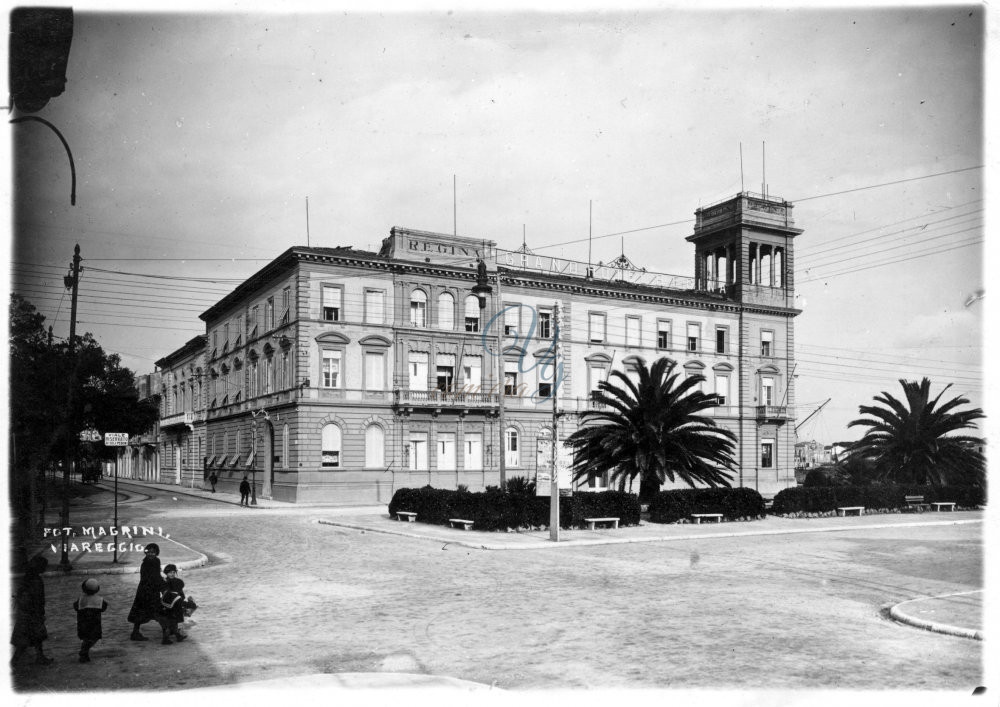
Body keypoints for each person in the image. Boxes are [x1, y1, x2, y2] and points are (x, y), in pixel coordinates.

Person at [10, 556, 53, 665]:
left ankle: (40, 657)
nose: (45, 568)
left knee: (36, 637)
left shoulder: (28, 578)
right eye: (44, 566)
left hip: (26, 613)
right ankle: (13, 662)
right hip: (32, 614)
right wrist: (40, 613)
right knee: (27, 640)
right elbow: (37, 599)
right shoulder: (36, 581)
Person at [126, 543, 164, 641]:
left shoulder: (156, 561)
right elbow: (151, 578)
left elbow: (157, 576)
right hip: (145, 591)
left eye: (153, 552)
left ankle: (168, 630)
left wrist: (162, 584)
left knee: (157, 612)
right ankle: (135, 633)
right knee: (145, 612)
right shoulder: (145, 563)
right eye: (149, 552)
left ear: (156, 553)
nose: (151, 554)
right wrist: (161, 586)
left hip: (152, 591)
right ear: (146, 553)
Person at [73, 578, 108, 663]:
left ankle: (84, 653)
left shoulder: (81, 599)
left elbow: (75, 607)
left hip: (83, 624)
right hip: (94, 625)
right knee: (93, 638)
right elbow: (104, 608)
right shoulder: (99, 599)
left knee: (86, 638)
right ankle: (84, 652)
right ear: (97, 589)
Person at [158, 564, 188, 644]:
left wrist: (181, 599)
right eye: (170, 572)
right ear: (166, 573)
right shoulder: (165, 582)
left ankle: (178, 636)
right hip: (167, 606)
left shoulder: (177, 581)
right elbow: (164, 594)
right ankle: (165, 639)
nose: (172, 574)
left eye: (173, 572)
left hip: (176, 604)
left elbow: (181, 593)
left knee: (174, 621)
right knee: (169, 623)